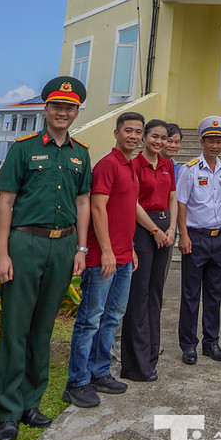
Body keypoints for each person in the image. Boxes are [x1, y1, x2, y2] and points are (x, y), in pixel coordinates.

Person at [0, 76, 91, 440]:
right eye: (56, 106)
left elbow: (83, 203)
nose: (63, 112)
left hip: (63, 246)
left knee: (43, 329)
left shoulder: (81, 152)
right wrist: (2, 253)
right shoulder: (23, 149)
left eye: (70, 107)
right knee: (16, 328)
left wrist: (81, 249)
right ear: (45, 109)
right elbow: (5, 202)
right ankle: (8, 412)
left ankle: (31, 403)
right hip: (25, 243)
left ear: (77, 112)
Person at [64, 111, 144, 408]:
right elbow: (98, 209)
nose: (134, 136)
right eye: (128, 131)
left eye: (138, 132)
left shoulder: (132, 166)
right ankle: (77, 382)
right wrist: (108, 250)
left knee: (112, 318)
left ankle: (99, 372)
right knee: (90, 320)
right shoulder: (107, 165)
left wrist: (130, 247)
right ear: (116, 133)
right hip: (102, 258)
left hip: (123, 255)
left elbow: (125, 209)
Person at [119, 119, 176, 382]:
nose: (159, 142)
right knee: (138, 296)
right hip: (144, 231)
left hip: (166, 231)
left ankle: (152, 355)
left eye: (164, 138)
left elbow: (173, 197)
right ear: (145, 138)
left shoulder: (167, 164)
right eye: (154, 136)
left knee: (156, 294)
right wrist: (154, 230)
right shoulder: (135, 164)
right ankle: (135, 365)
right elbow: (133, 202)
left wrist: (172, 228)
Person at [175, 116, 221, 364]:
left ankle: (211, 342)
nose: (215, 145)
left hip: (218, 239)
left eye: (219, 141)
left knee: (214, 294)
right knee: (190, 294)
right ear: (202, 141)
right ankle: (188, 345)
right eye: (210, 140)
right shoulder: (189, 169)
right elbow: (181, 203)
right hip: (195, 238)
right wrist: (183, 235)